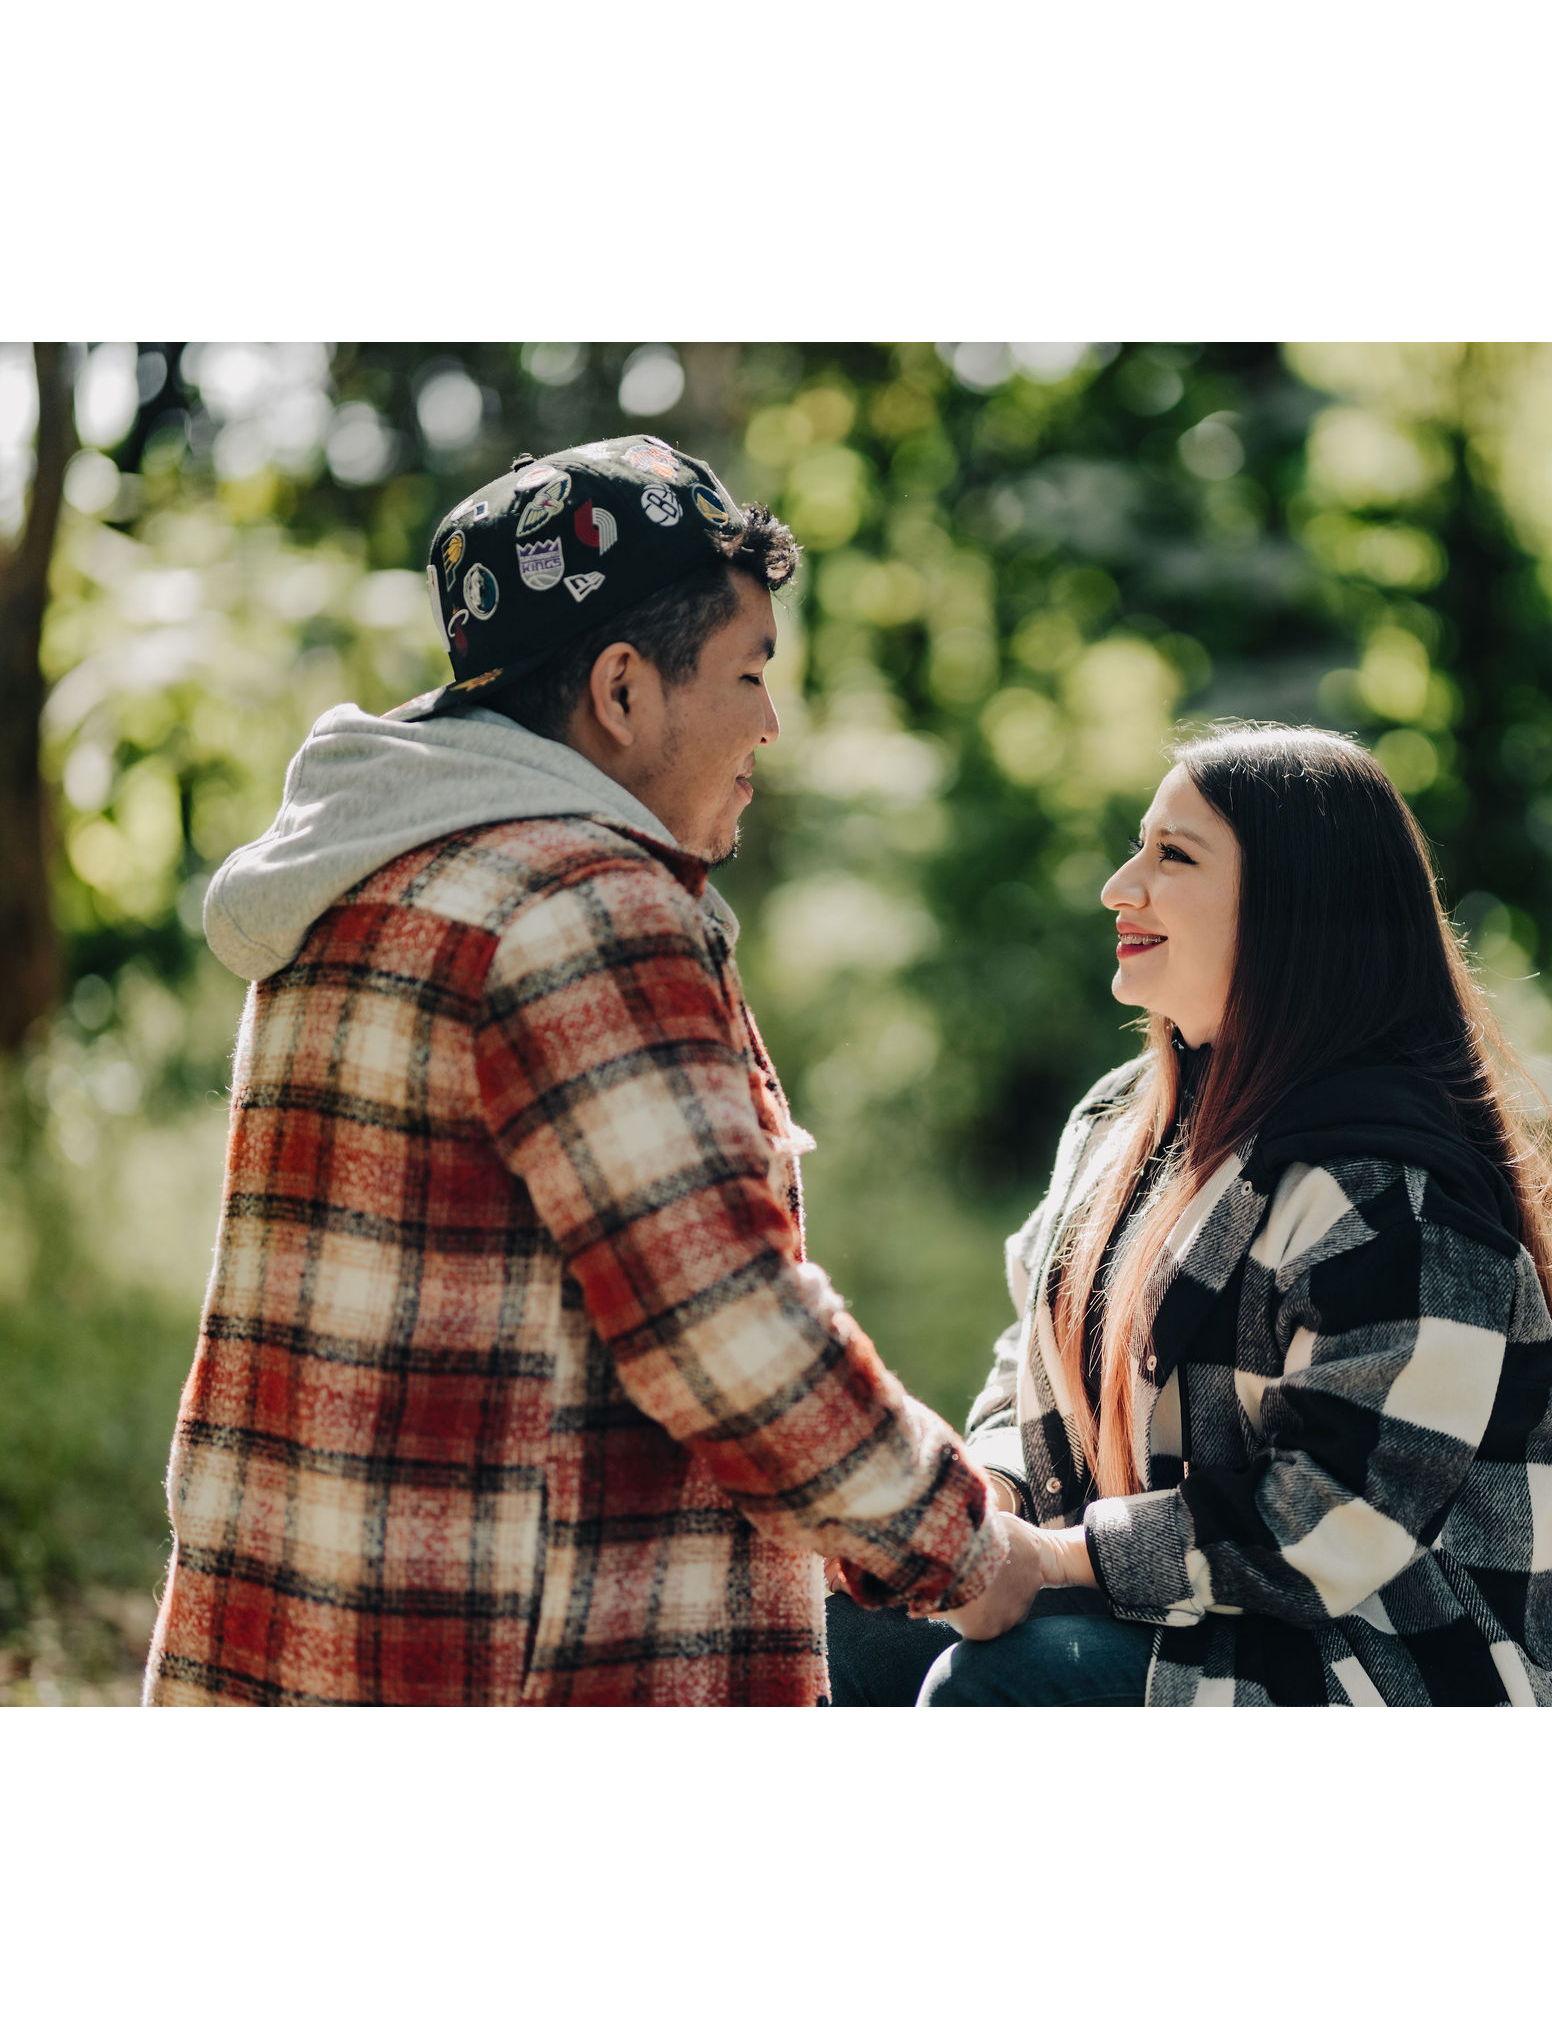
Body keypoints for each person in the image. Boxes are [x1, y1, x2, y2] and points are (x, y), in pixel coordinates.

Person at [143, 433, 1041, 1706]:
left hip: (283, 1658)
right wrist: (966, 1548)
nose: (770, 723)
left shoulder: (359, 881)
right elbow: (726, 1328)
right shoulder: (587, 905)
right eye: (749, 672)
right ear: (622, 689)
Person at [829, 722, 1552, 1706]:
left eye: (1172, 856)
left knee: (1005, 1687)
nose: (1118, 886)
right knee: (849, 1628)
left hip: (1392, 1659)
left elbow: (1331, 1522)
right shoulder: (1115, 1124)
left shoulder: (1391, 1191)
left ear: (1293, 908)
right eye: (1137, 846)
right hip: (1174, 1605)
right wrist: (983, 1512)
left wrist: (1052, 1558)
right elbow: (1027, 1376)